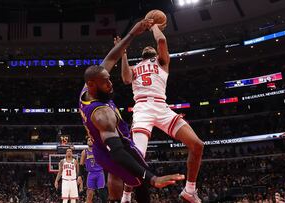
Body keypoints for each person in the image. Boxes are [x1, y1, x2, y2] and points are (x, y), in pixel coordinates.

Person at [79, 18, 185, 203]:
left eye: (109, 79)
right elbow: (118, 153)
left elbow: (112, 57)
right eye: (106, 83)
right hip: (110, 149)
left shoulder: (88, 89)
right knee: (140, 178)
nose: (111, 84)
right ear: (93, 84)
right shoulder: (102, 114)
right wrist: (154, 178)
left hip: (106, 144)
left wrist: (132, 34)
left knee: (137, 179)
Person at [118, 23, 204, 203]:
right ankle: (125, 197)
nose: (148, 46)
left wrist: (154, 25)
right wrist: (123, 53)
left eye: (151, 46)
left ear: (156, 52)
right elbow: (126, 79)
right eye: (146, 47)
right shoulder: (134, 68)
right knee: (137, 158)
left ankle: (189, 190)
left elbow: (162, 40)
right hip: (142, 109)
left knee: (197, 145)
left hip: (162, 107)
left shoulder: (162, 61)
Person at [78, 137, 107, 203]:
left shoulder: (99, 150)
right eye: (89, 140)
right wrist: (79, 175)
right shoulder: (84, 152)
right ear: (87, 142)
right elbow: (81, 164)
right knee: (89, 194)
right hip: (91, 173)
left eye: (91, 140)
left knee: (102, 192)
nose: (90, 141)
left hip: (100, 173)